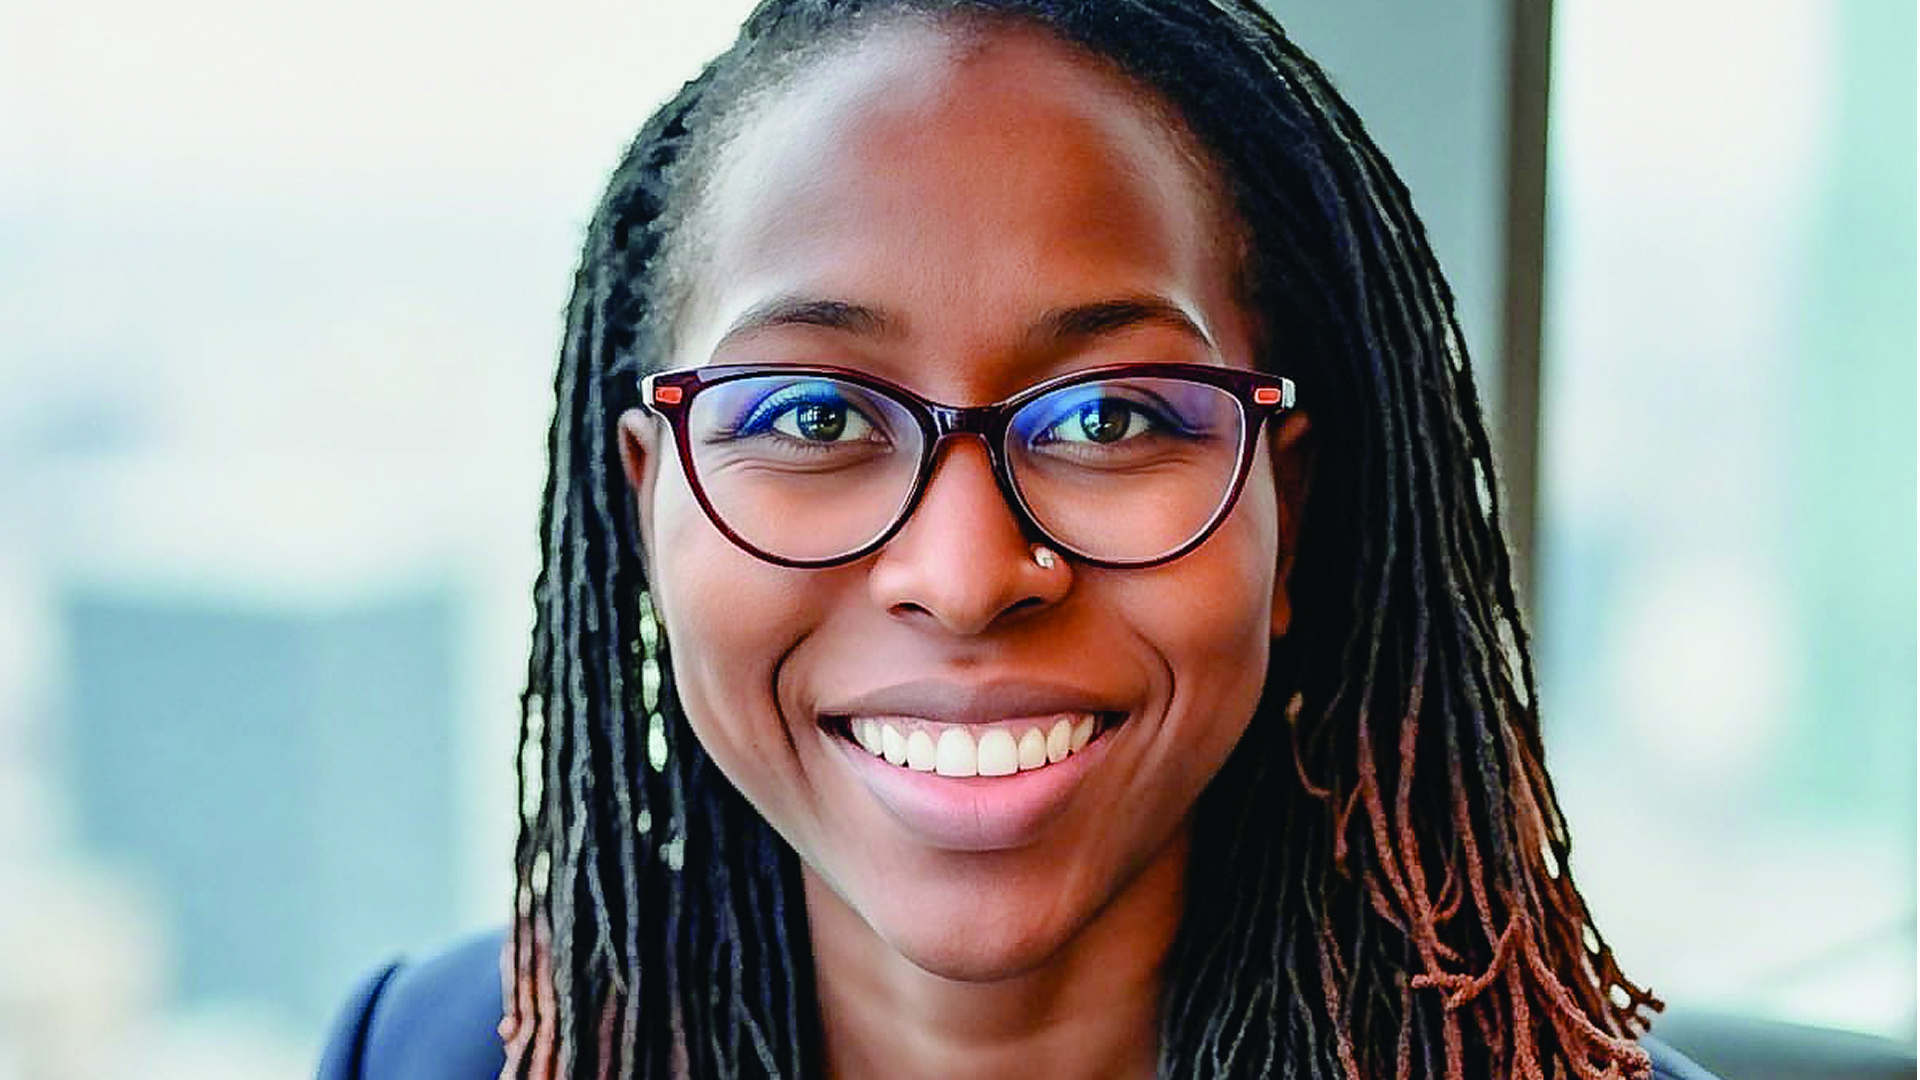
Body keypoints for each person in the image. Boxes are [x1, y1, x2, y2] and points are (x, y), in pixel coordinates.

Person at [319, 2, 1725, 1078]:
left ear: (1284, 518)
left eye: (1111, 418)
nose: (967, 574)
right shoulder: (440, 1054)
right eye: (813, 416)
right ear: (648, 504)